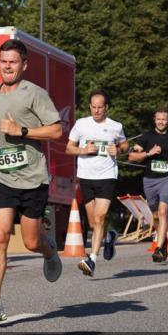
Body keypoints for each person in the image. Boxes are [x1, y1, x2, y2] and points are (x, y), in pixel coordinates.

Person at [0, 38, 63, 324]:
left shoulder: (35, 93)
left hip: (31, 177)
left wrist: (22, 131)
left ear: (24, 65)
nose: (7, 66)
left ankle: (48, 250)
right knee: (0, 235)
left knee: (30, 242)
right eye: (3, 61)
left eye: (13, 62)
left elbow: (56, 131)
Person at [66, 89, 128, 276]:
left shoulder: (115, 126)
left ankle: (92, 260)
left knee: (100, 218)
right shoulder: (81, 124)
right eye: (93, 107)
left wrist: (119, 150)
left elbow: (125, 145)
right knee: (94, 223)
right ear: (90, 107)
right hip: (86, 177)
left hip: (107, 176)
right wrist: (83, 150)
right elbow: (69, 148)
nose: (97, 110)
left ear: (106, 107)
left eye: (100, 107)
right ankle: (109, 238)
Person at [129, 109, 168, 263]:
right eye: (158, 119)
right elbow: (132, 156)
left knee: (163, 210)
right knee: (156, 216)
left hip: (167, 178)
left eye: (164, 119)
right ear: (154, 120)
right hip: (150, 180)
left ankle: (158, 248)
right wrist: (148, 153)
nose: (161, 122)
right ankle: (163, 241)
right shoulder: (146, 137)